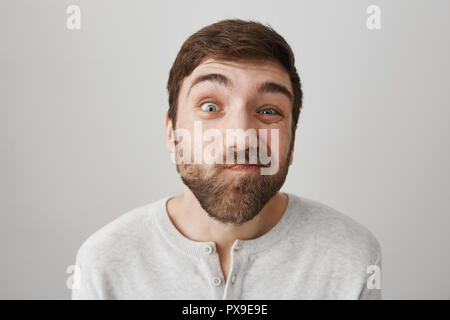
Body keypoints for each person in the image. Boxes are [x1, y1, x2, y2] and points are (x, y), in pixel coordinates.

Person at [71, 19, 381, 300]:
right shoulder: (104, 263)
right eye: (209, 107)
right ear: (171, 132)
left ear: (292, 140)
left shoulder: (351, 257)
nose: (241, 136)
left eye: (269, 111)